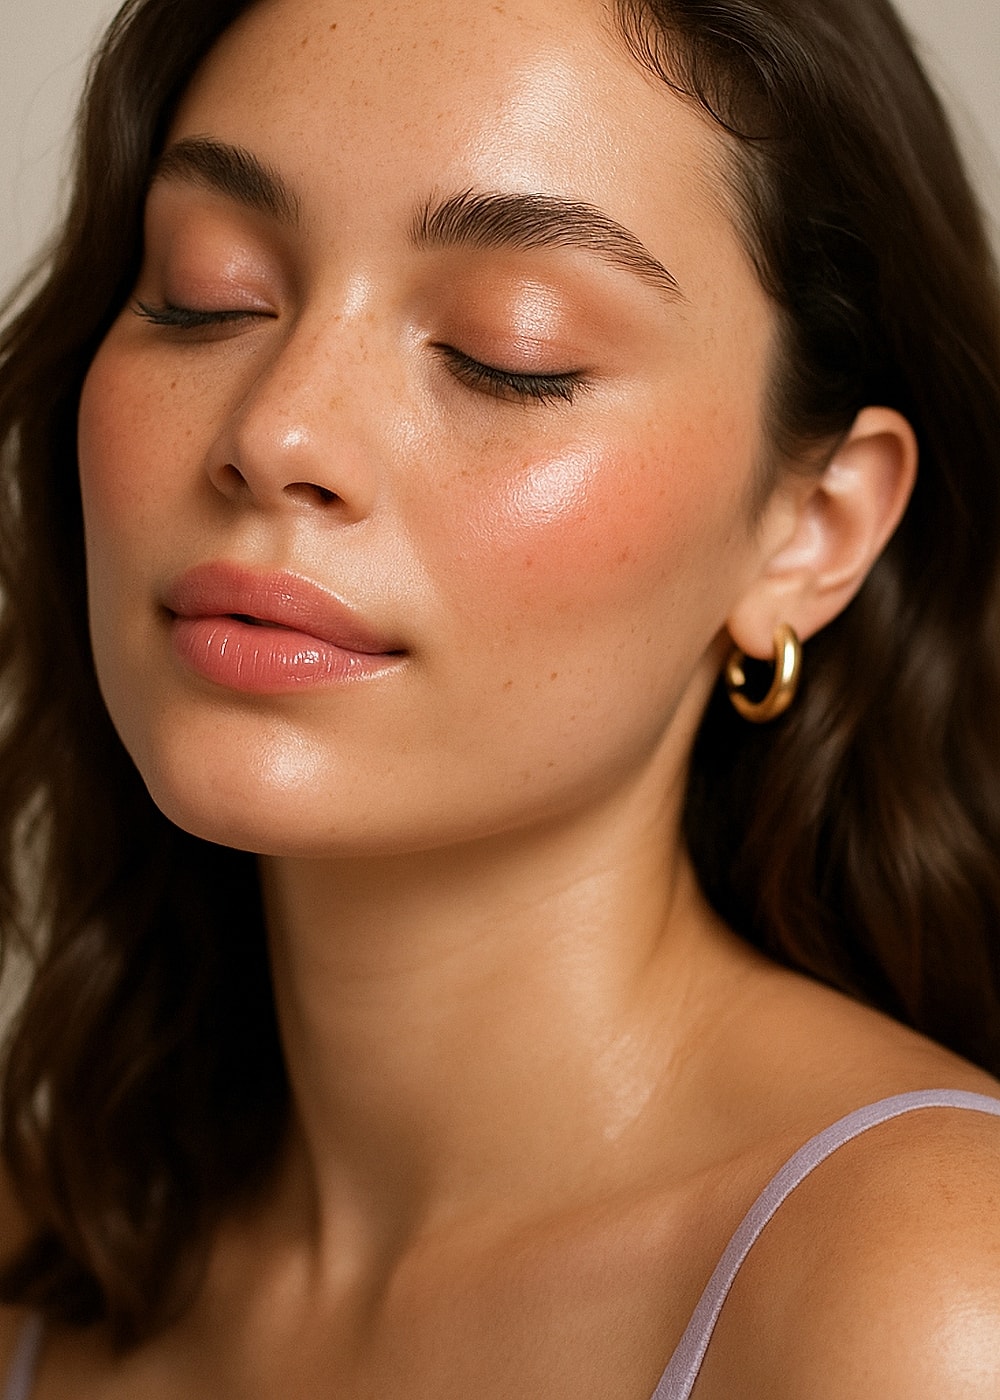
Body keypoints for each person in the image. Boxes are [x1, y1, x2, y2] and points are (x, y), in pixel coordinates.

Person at [1, 0, 1000, 1393]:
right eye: (206, 290)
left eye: (504, 350)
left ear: (812, 527)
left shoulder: (926, 1298)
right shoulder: (37, 1257)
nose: (276, 430)